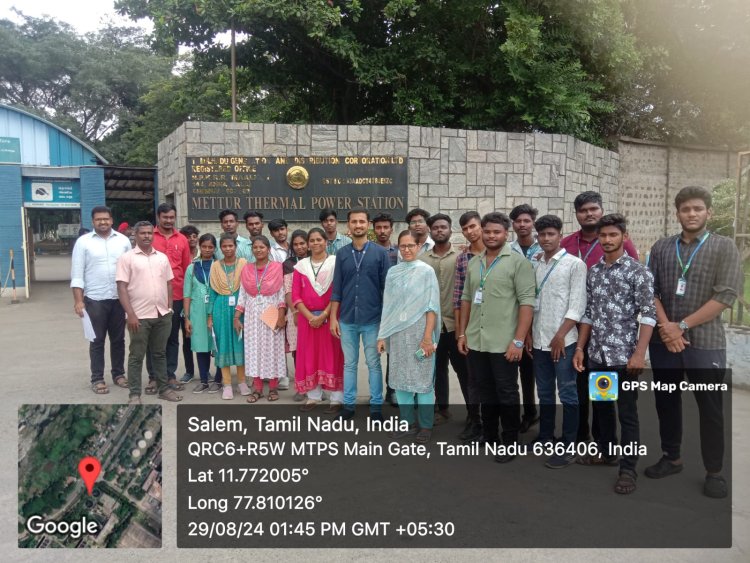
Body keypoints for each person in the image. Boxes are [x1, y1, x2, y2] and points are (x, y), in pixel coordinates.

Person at [645, 186, 741, 499]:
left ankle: (714, 471)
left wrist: (681, 326)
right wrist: (667, 328)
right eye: (685, 209)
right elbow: (651, 292)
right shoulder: (661, 247)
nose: (691, 214)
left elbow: (726, 296)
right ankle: (671, 457)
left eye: (697, 209)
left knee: (710, 408)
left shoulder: (724, 247)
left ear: (708, 213)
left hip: (705, 342)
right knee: (666, 402)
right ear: (678, 214)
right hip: (665, 343)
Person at [573, 214, 656, 495]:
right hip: (599, 357)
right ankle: (607, 452)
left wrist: (639, 353)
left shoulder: (638, 272)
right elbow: (589, 315)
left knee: (628, 414)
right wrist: (582, 349)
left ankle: (628, 469)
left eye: (613, 235)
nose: (607, 240)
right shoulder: (593, 272)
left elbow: (648, 315)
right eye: (603, 236)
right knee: (604, 409)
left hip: (626, 359)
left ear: (624, 237)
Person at [561, 191, 639, 443]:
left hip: (614, 338)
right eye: (583, 210)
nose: (589, 213)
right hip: (577, 329)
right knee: (581, 390)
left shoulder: (620, 245)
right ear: (577, 215)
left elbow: (636, 292)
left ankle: (612, 447)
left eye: (594, 208)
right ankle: (583, 438)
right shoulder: (567, 244)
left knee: (617, 403)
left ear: (601, 210)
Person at [457, 212, 535, 463]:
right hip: (476, 340)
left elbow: (526, 304)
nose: (491, 236)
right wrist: (463, 332)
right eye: (487, 231)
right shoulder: (474, 262)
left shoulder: (518, 263)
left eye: (496, 232)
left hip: (504, 343)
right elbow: (467, 299)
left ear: (506, 233)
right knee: (484, 390)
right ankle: (491, 437)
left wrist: (519, 340)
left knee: (507, 392)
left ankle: (510, 442)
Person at [529, 215, 587, 468]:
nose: (546, 239)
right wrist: (529, 333)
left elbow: (578, 304)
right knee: (544, 392)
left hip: (563, 341)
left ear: (560, 235)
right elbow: (530, 300)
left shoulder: (574, 264)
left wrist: (561, 335)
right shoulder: (534, 262)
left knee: (567, 393)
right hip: (540, 340)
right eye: (541, 235)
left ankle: (570, 443)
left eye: (550, 234)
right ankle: (545, 435)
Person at [378, 230, 440, 443]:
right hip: (397, 334)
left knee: (422, 381)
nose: (406, 250)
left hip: (420, 331)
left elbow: (432, 307)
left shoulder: (426, 272)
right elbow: (388, 306)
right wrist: (382, 336)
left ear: (419, 246)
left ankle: (425, 425)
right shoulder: (393, 272)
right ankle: (407, 423)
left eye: (410, 246)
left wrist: (427, 338)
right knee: (401, 380)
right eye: (402, 246)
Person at [330, 207, 391, 421]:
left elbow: (387, 290)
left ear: (368, 225)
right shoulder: (342, 254)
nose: (358, 225)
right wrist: (333, 319)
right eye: (354, 222)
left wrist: (385, 323)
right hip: (347, 319)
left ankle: (376, 407)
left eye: (362, 222)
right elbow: (337, 288)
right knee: (349, 364)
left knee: (374, 364)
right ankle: (349, 406)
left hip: (373, 319)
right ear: (348, 225)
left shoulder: (380, 253)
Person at [116, 221, 182, 403]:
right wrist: (130, 314)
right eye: (142, 233)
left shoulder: (161, 257)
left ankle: (164, 389)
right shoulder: (127, 258)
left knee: (159, 353)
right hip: (139, 317)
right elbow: (121, 287)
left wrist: (169, 308)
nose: (146, 236)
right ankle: (135, 394)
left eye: (149, 233)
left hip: (162, 314)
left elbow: (169, 283)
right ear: (135, 236)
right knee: (136, 355)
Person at [70, 205, 132, 395]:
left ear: (112, 220)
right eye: (99, 219)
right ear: (93, 221)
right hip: (94, 299)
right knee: (96, 341)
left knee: (119, 340)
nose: (103, 222)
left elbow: (131, 271)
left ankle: (119, 374)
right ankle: (97, 378)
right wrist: (78, 300)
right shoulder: (83, 243)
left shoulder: (123, 241)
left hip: (118, 299)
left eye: (106, 219)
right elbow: (77, 273)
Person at [420, 213, 467, 426]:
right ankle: (443, 408)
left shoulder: (461, 257)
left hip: (456, 325)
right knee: (437, 371)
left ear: (450, 230)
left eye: (443, 227)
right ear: (430, 231)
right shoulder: (422, 260)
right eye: (436, 228)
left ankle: (474, 413)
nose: (440, 230)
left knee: (464, 370)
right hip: (432, 327)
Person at [293, 228, 344, 413]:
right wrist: (310, 317)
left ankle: (336, 398)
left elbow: (338, 292)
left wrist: (323, 316)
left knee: (333, 355)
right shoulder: (300, 267)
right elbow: (296, 296)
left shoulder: (335, 263)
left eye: (318, 240)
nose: (315, 243)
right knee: (309, 356)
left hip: (330, 318)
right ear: (308, 244)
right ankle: (313, 396)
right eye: (311, 240)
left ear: (326, 242)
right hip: (308, 321)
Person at [235, 235, 287, 403]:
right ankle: (257, 389)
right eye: (255, 247)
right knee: (254, 352)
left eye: (262, 247)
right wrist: (237, 316)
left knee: (272, 351)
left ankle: (272, 388)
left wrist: (281, 316)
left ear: (268, 249)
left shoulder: (277, 268)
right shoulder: (247, 270)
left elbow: (281, 294)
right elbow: (242, 294)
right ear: (252, 250)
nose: (258, 250)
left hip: (271, 314)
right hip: (251, 318)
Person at [148, 202, 191, 393]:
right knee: (153, 338)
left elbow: (186, 267)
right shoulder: (149, 237)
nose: (168, 220)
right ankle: (153, 377)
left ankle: (170, 375)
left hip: (176, 295)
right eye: (165, 217)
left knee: (173, 337)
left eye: (171, 217)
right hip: (152, 296)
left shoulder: (181, 239)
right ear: (158, 217)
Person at [452, 211, 485, 442]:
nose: (470, 231)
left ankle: (496, 423)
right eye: (465, 228)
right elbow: (458, 298)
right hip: (471, 327)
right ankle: (475, 420)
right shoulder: (463, 259)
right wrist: (460, 331)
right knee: (472, 379)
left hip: (496, 327)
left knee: (495, 381)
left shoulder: (503, 255)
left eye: (473, 226)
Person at [510, 203, 542, 433]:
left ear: (533, 223)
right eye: (518, 221)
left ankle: (537, 415)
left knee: (536, 371)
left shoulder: (544, 248)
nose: (522, 225)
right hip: (514, 314)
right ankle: (526, 412)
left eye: (526, 221)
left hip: (540, 315)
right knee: (519, 369)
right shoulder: (508, 249)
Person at [208, 233, 248, 400]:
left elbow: (248, 287)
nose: (228, 249)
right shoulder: (216, 266)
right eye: (224, 246)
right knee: (223, 345)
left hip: (240, 308)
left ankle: (242, 382)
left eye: (231, 245)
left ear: (235, 247)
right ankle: (226, 384)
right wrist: (210, 316)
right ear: (220, 248)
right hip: (220, 309)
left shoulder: (244, 264)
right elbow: (212, 292)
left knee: (240, 343)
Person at [183, 233, 222, 393]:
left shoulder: (219, 266)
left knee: (219, 344)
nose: (207, 250)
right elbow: (187, 294)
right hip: (197, 312)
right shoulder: (192, 268)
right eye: (204, 246)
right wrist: (187, 318)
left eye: (210, 247)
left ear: (215, 248)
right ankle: (204, 380)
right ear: (199, 247)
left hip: (217, 310)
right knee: (201, 346)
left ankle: (219, 379)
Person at [372, 212, 399, 405]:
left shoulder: (399, 252)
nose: (382, 231)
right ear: (373, 230)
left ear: (392, 229)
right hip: (373, 309)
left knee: (394, 352)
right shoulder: (369, 251)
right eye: (378, 227)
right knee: (373, 354)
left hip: (395, 310)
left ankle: (392, 390)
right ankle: (375, 394)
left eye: (385, 227)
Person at [283, 230, 309, 401]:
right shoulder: (289, 264)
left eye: (302, 243)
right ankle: (301, 387)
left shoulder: (317, 260)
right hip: (296, 313)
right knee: (298, 351)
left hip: (316, 313)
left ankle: (315, 386)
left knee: (313, 350)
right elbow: (288, 290)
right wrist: (294, 311)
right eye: (296, 244)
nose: (299, 247)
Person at [179, 224, 200, 383]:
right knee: (187, 336)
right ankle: (189, 370)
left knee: (202, 337)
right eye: (188, 236)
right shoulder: (181, 254)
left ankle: (205, 371)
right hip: (184, 299)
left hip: (201, 301)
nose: (191, 239)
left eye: (194, 236)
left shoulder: (205, 252)